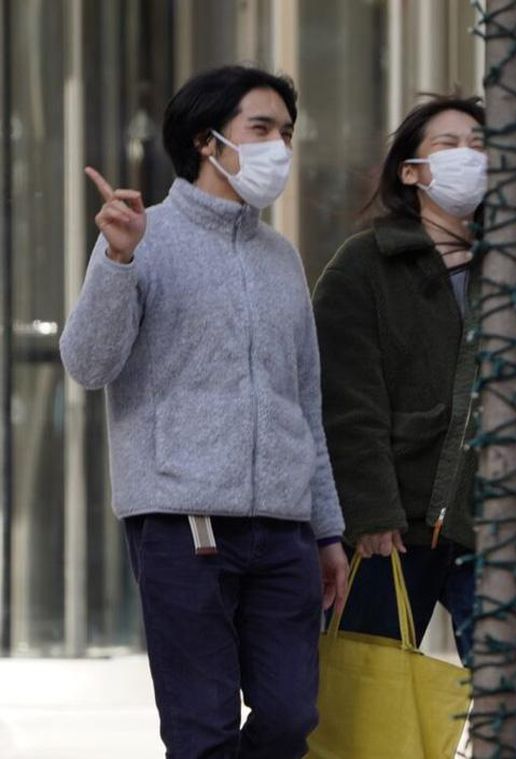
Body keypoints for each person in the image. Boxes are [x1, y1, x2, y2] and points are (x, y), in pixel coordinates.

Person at [60, 64, 348, 759]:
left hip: (284, 530)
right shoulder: (141, 237)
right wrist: (118, 260)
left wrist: (327, 529)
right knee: (202, 729)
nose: (280, 146)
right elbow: (87, 363)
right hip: (182, 524)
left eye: (287, 132)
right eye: (262, 128)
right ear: (206, 140)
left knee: (291, 716)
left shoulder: (282, 259)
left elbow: (306, 400)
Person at [312, 94, 516, 758]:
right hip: (387, 529)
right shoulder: (363, 265)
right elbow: (344, 402)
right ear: (410, 171)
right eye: (449, 144)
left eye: (481, 145)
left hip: (493, 519)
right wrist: (370, 510)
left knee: (513, 698)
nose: (470, 156)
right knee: (367, 693)